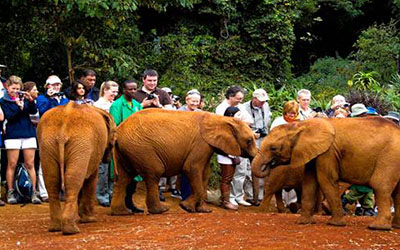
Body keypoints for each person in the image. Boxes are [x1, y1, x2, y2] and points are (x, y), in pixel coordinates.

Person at [0, 76, 41, 204]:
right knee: (12, 164)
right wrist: (19, 107)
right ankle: (11, 191)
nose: (16, 91)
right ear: (8, 87)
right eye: (13, 88)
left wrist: (30, 102)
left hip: (28, 133)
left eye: (18, 89)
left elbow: (34, 114)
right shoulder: (3, 100)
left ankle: (34, 191)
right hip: (12, 134)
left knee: (30, 164)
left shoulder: (24, 98)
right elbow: (10, 116)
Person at [216, 86, 253, 209]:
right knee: (227, 176)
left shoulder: (240, 107)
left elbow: (250, 120)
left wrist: (238, 123)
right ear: (230, 97)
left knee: (241, 171)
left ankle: (238, 196)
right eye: (238, 98)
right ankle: (227, 199)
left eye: (242, 98)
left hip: (239, 145)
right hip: (227, 147)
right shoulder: (221, 109)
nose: (240, 101)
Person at [109, 79, 143, 213]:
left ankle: (129, 202)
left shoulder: (137, 105)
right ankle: (120, 203)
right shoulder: (117, 105)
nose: (133, 91)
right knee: (123, 175)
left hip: (137, 144)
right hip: (122, 145)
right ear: (124, 90)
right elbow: (115, 125)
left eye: (135, 89)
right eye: (130, 89)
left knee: (135, 175)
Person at [341, 103, 377, 216]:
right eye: (363, 114)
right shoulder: (350, 127)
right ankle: (343, 202)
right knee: (362, 185)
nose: (365, 116)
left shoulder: (364, 126)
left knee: (369, 184)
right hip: (354, 160)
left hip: (367, 159)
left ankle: (368, 208)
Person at [241, 89, 272, 205]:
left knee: (262, 165)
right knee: (250, 167)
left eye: (264, 101)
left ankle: (261, 196)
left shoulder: (266, 106)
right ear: (254, 99)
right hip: (251, 139)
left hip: (264, 139)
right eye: (260, 101)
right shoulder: (244, 107)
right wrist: (252, 132)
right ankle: (250, 195)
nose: (263, 103)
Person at [270, 100, 300, 212]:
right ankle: (279, 202)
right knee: (279, 178)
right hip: (279, 155)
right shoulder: (278, 122)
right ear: (285, 112)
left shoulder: (300, 122)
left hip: (294, 155)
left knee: (294, 178)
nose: (292, 115)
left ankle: (292, 203)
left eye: (294, 113)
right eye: (289, 113)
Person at [93, 81, 119, 206]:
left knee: (111, 168)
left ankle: (110, 192)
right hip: (102, 140)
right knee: (102, 168)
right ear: (105, 90)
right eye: (112, 92)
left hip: (113, 139)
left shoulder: (114, 104)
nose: (115, 94)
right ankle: (101, 195)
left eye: (116, 92)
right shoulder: (97, 105)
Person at [178, 89, 202, 201]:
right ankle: (185, 195)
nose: (195, 104)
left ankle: (192, 194)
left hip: (194, 145)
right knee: (184, 170)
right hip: (181, 144)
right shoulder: (179, 112)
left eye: (197, 101)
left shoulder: (199, 112)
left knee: (193, 169)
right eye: (193, 101)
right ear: (186, 100)